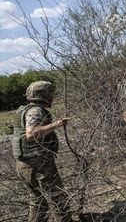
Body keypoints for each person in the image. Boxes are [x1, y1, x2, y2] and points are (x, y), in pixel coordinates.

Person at [11, 81, 74, 222]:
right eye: (50, 94)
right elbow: (31, 134)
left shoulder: (24, 110)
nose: (52, 97)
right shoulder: (35, 111)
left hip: (24, 164)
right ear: (44, 95)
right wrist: (56, 124)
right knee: (58, 198)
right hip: (38, 164)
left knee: (38, 200)